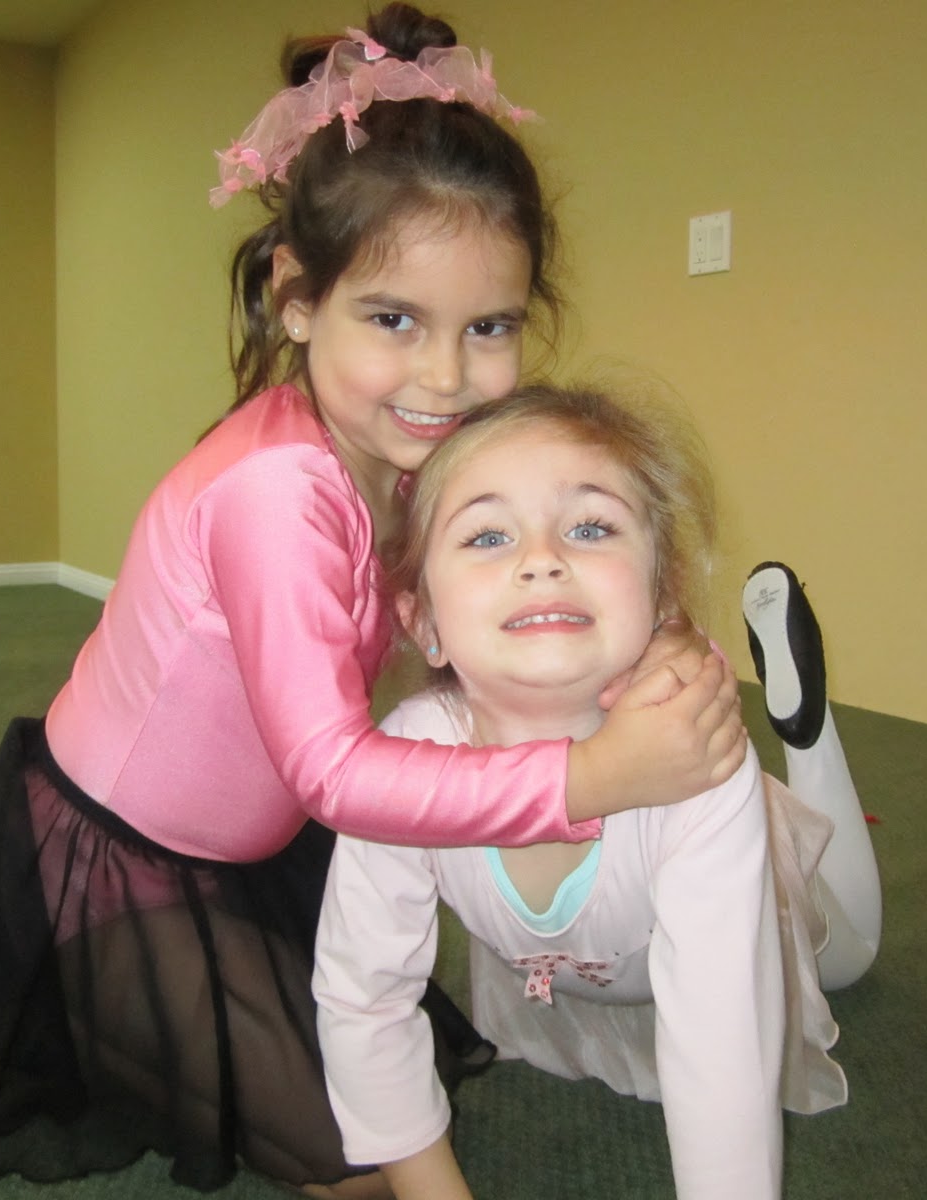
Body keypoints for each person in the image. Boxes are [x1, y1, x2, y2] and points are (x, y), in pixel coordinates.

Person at [0, 7, 745, 1196]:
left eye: (489, 327)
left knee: (399, 1077)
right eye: (394, 319)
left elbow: (549, 555)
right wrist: (592, 777)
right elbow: (336, 775)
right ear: (296, 297)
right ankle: (102, 1003)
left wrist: (661, 649)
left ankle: (214, 1005)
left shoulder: (407, 447)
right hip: (128, 859)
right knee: (356, 1169)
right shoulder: (275, 491)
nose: (446, 377)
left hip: (269, 842)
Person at [314, 384, 874, 1200]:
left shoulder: (698, 768)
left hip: (747, 889)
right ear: (423, 620)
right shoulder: (399, 768)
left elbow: (725, 1041)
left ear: (660, 598)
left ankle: (811, 743)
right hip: (583, 964)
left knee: (845, 955)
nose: (542, 558)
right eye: (488, 535)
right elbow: (363, 993)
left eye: (590, 527)